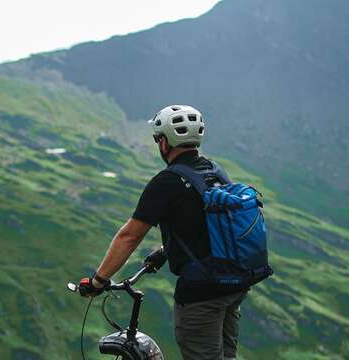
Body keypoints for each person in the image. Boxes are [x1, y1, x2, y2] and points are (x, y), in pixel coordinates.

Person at [79, 105, 248, 360]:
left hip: (201, 294)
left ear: (164, 142)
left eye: (158, 138)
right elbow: (206, 225)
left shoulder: (167, 182)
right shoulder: (215, 171)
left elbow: (130, 236)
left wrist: (97, 281)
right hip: (234, 283)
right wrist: (167, 249)